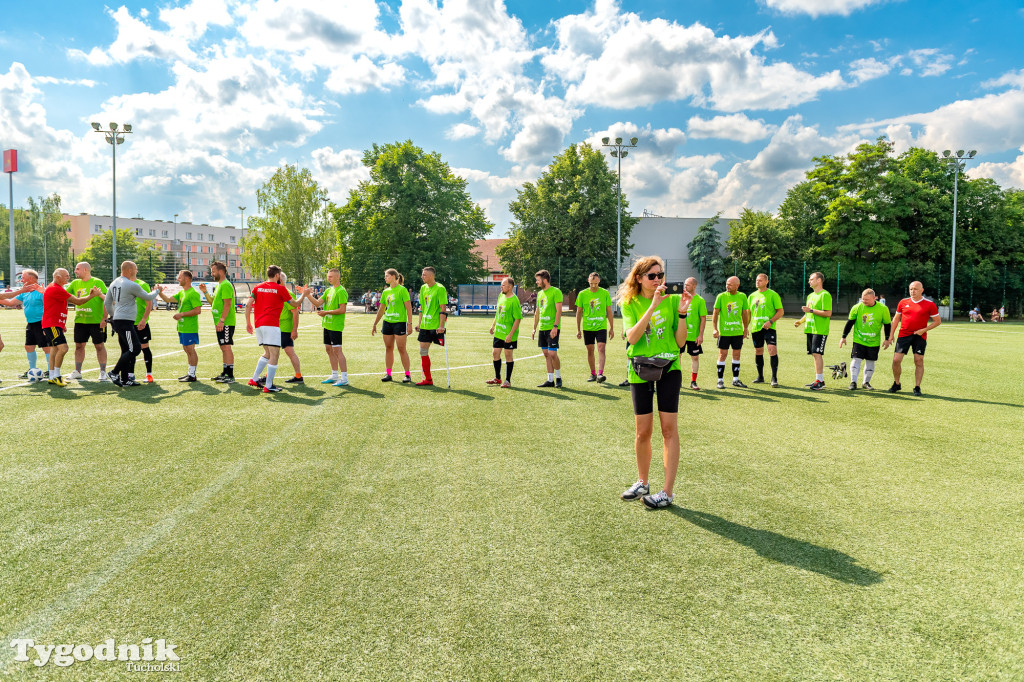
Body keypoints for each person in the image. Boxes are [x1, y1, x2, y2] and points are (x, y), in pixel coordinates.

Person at [617, 256, 691, 510]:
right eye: (652, 276)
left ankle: (667, 493)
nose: (658, 280)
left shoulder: (671, 301)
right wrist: (652, 306)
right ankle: (643, 482)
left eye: (660, 275)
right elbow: (633, 337)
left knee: (669, 430)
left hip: (670, 367)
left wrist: (681, 314)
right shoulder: (629, 303)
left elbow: (681, 342)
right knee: (643, 431)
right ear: (639, 278)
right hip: (640, 368)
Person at [104, 261, 163, 387]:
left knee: (126, 349)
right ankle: (114, 372)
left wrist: (113, 315)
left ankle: (125, 379)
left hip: (119, 321)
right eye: (136, 269)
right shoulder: (131, 284)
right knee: (135, 348)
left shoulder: (114, 283)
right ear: (130, 270)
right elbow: (148, 297)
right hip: (125, 322)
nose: (137, 271)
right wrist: (157, 291)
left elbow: (107, 303)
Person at [41, 268, 103, 386]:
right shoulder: (56, 288)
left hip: (54, 324)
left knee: (54, 349)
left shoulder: (56, 288)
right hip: (52, 324)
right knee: (63, 348)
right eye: (66, 275)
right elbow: (78, 302)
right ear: (58, 277)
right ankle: (57, 376)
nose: (68, 277)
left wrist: (61, 324)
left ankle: (52, 376)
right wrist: (93, 295)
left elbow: (59, 305)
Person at [245, 265, 300, 394]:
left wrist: (248, 323)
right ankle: (268, 385)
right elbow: (295, 305)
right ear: (277, 275)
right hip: (272, 325)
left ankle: (254, 379)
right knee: (274, 355)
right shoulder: (280, 289)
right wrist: (305, 295)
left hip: (259, 325)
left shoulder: (257, 287)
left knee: (267, 353)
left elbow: (248, 305)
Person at [888, 281, 941, 396]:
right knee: (896, 360)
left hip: (920, 336)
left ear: (922, 290)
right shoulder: (903, 302)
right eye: (911, 289)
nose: (913, 291)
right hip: (904, 335)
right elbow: (896, 319)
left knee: (918, 361)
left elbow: (937, 322)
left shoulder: (930, 304)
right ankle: (896, 384)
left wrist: (924, 330)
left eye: (915, 289)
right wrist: (891, 335)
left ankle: (917, 387)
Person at [0, 270, 48, 379]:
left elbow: (51, 305)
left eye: (23, 278)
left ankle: (50, 371)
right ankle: (32, 370)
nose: (21, 280)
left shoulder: (42, 291)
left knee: (46, 347)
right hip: (30, 323)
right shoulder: (24, 292)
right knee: (29, 346)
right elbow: (11, 303)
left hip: (42, 323)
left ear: (30, 279)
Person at [840, 288, 891, 390]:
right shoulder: (857, 307)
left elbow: (887, 324)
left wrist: (887, 339)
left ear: (874, 298)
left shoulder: (883, 308)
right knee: (856, 360)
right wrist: (843, 337)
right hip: (859, 340)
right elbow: (850, 323)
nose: (864, 301)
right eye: (863, 299)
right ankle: (853, 382)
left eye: (867, 299)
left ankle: (866, 382)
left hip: (873, 341)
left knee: (870, 362)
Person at [66, 261, 109, 381]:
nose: (75, 271)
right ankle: (77, 371)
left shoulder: (97, 282)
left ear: (85, 270)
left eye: (77, 269)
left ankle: (103, 372)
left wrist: (104, 317)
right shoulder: (75, 283)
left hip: (96, 321)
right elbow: (65, 296)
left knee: (99, 346)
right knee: (79, 346)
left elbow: (107, 300)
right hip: (80, 320)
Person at [305, 268, 348, 386]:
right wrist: (307, 294)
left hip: (335, 326)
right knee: (329, 350)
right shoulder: (329, 290)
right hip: (327, 325)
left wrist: (326, 312)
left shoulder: (341, 291)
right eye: (328, 276)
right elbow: (318, 303)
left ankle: (344, 378)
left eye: (331, 276)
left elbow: (342, 310)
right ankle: (334, 375)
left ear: (337, 277)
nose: (329, 278)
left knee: (337, 351)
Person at [157, 270, 203, 382]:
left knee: (190, 349)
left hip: (190, 327)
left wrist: (181, 314)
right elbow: (168, 299)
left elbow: (198, 310)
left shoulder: (193, 293)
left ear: (187, 279)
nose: (178, 279)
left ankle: (192, 375)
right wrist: (159, 292)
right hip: (182, 327)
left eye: (180, 277)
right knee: (186, 349)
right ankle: (190, 373)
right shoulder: (182, 292)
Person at [371, 268, 413, 383]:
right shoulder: (386, 292)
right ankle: (388, 374)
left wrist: (409, 324)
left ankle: (407, 374)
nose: (385, 278)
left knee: (401, 349)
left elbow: (409, 308)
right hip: (387, 323)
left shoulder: (402, 290)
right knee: (388, 348)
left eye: (387, 276)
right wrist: (375, 324)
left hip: (399, 323)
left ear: (394, 276)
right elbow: (381, 309)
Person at [197, 261, 236, 383]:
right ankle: (225, 372)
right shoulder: (219, 285)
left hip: (226, 323)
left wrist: (222, 321)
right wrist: (204, 292)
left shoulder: (225, 285)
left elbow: (228, 304)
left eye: (213, 271)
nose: (212, 273)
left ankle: (230, 376)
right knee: (223, 347)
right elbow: (212, 302)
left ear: (220, 271)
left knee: (226, 347)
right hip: (220, 323)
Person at [795, 271, 832, 390]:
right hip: (810, 329)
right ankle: (819, 379)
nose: (809, 281)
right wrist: (800, 321)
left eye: (811, 279)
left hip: (820, 330)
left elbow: (828, 313)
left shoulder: (825, 295)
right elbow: (808, 313)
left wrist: (810, 310)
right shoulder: (810, 296)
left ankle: (819, 381)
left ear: (819, 280)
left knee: (817, 353)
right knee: (814, 354)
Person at [574, 272, 614, 382]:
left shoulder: (604, 293)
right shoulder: (582, 294)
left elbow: (609, 311)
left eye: (595, 283)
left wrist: (611, 328)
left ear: (599, 281)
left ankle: (600, 374)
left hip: (601, 326)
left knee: (601, 348)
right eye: (591, 283)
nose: (593, 285)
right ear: (588, 281)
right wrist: (578, 329)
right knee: (590, 351)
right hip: (587, 327)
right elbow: (579, 312)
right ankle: (593, 374)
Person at [711, 276, 750, 389]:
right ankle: (720, 380)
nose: (727, 286)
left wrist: (745, 328)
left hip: (737, 332)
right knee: (722, 354)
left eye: (730, 284)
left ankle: (735, 380)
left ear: (737, 286)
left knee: (737, 355)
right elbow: (715, 314)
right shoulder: (721, 296)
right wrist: (715, 328)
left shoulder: (742, 296)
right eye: (727, 284)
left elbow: (744, 314)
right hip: (724, 332)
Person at [748, 273, 785, 386]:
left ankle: (774, 378)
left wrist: (770, 321)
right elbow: (748, 314)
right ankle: (760, 376)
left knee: (772, 349)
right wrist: (745, 328)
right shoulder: (752, 296)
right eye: (756, 280)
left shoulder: (773, 295)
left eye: (760, 280)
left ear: (766, 282)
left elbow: (780, 311)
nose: (757, 282)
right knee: (758, 351)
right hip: (756, 329)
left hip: (769, 328)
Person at [414, 266, 448, 387]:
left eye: (425, 275)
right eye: (422, 274)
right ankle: (428, 379)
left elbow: (443, 308)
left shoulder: (440, 288)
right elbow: (422, 307)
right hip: (425, 325)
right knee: (423, 351)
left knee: (440, 348)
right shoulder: (423, 288)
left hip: (436, 326)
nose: (422, 276)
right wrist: (419, 323)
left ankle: (428, 379)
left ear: (431, 276)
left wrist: (441, 326)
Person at [487, 276, 522, 388]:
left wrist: (510, 335)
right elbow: (498, 312)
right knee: (495, 353)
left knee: (508, 355)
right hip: (499, 332)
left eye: (503, 285)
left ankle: (507, 380)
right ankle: (498, 378)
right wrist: (493, 325)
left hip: (509, 334)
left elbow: (518, 319)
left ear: (510, 287)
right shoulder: (501, 296)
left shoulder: (514, 300)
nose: (501, 287)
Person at [531, 269, 563, 388]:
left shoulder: (556, 291)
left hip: (552, 328)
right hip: (542, 328)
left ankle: (558, 378)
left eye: (538, 280)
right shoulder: (540, 294)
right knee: (546, 353)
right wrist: (534, 328)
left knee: (552, 353)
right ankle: (550, 380)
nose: (537, 282)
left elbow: (559, 310)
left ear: (545, 280)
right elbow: (537, 312)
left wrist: (555, 327)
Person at [277, 272, 305, 384]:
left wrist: (294, 330)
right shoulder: (277, 292)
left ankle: (298, 376)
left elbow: (295, 312)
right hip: (276, 327)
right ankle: (267, 375)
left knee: (289, 352)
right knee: (272, 352)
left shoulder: (287, 294)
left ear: (281, 280)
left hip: (284, 328)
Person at [681, 277, 707, 390]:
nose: (685, 286)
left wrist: (700, 335)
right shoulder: (680, 298)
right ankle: (678, 381)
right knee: (677, 357)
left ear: (694, 286)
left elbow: (703, 318)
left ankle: (693, 381)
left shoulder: (700, 300)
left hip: (693, 336)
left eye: (688, 285)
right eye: (685, 284)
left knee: (695, 358)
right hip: (680, 335)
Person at [133, 276, 155, 382]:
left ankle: (149, 374)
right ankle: (130, 374)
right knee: (128, 349)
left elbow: (149, 303)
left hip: (140, 323)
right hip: (127, 323)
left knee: (144, 347)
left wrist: (143, 320)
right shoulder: (122, 283)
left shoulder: (142, 285)